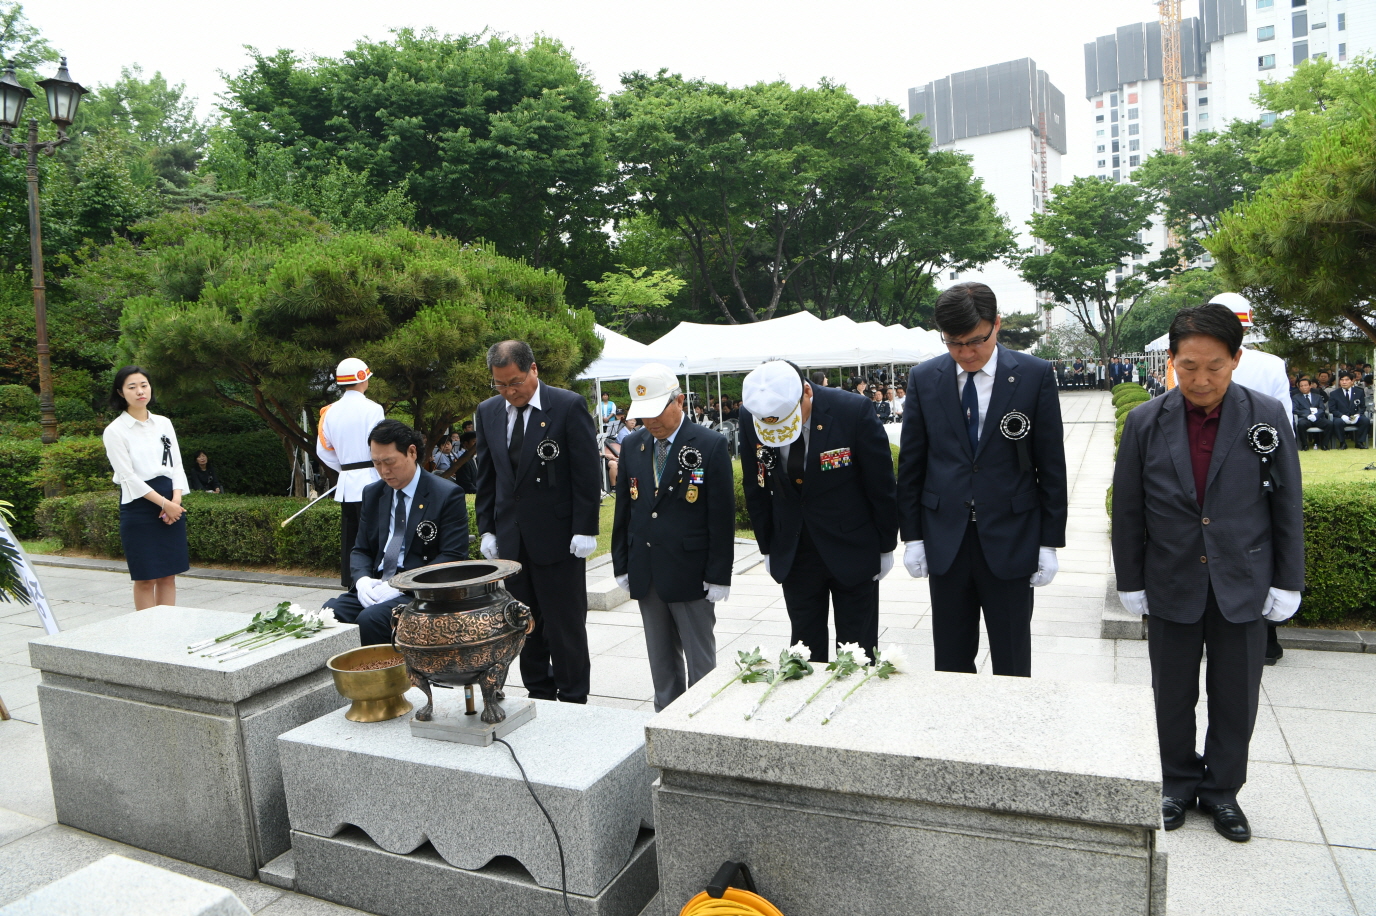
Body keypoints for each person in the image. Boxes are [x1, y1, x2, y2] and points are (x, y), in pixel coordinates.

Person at [1112, 303, 1304, 843]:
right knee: (1171, 693)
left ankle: (1222, 791)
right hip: (1171, 579)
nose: (1200, 379)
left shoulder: (1265, 415)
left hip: (1242, 580)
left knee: (1235, 696)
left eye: (1214, 366)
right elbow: (1128, 507)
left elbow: (1287, 503)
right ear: (1171, 361)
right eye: (1188, 365)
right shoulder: (1146, 422)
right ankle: (1176, 783)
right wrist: (1131, 578)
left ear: (1236, 360)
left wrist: (1288, 579)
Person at [897, 282, 1068, 677]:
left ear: (997, 325)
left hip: (1011, 535)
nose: (966, 353)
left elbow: (1051, 464)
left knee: (1011, 657)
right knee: (952, 660)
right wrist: (914, 537)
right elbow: (913, 465)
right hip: (946, 538)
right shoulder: (925, 378)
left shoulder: (1033, 375)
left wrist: (1049, 542)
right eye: (954, 343)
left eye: (976, 341)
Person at [739, 359, 898, 662]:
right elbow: (755, 485)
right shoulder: (752, 416)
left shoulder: (852, 411)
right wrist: (768, 546)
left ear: (807, 393)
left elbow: (881, 483)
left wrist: (886, 544)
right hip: (794, 549)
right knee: (803, 650)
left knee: (857, 651)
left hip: (852, 545)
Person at [475, 340, 600, 704]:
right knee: (522, 622)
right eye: (500, 385)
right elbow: (488, 477)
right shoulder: (488, 412)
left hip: (559, 536)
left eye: (515, 382)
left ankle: (574, 696)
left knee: (565, 625)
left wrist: (585, 526)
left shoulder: (566, 406)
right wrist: (487, 527)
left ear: (533, 369)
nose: (509, 391)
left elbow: (586, 473)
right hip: (512, 539)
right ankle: (538, 692)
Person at [611, 364, 735, 711]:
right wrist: (621, 561)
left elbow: (721, 517)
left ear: (679, 401)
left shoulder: (709, 445)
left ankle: (705, 722)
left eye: (656, 412)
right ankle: (666, 721)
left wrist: (719, 574)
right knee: (661, 664)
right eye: (642, 415)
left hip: (691, 571)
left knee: (701, 664)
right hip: (647, 569)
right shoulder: (634, 444)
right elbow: (625, 509)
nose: (649, 422)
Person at [324, 420, 469, 646]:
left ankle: (390, 679)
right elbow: (361, 548)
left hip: (420, 590)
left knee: (371, 620)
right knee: (330, 614)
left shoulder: (446, 495)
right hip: (377, 584)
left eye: (389, 462)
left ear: (412, 452)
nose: (383, 471)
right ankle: (349, 680)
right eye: (376, 463)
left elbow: (452, 557)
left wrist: (401, 584)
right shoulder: (374, 493)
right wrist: (362, 580)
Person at [103, 366, 190, 610]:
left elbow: (177, 465)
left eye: (144, 385)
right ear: (121, 392)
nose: (140, 391)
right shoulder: (115, 431)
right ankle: (148, 638)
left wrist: (176, 502)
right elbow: (128, 477)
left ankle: (168, 631)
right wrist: (165, 504)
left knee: (168, 575)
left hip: (171, 500)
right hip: (139, 505)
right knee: (146, 577)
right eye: (132, 387)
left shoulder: (163, 423)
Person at [316, 357, 385, 588]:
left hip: (347, 485)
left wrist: (345, 469)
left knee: (351, 537)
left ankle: (351, 582)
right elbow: (380, 446)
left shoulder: (329, 412)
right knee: (375, 535)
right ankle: (376, 580)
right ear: (362, 378)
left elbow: (323, 451)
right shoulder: (374, 409)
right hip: (372, 481)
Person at [1328, 371, 1370, 448]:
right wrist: (1342, 416)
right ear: (1339, 381)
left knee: (1365, 421)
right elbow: (1332, 409)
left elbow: (1362, 407)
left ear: (1352, 381)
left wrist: (1358, 414)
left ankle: (1359, 442)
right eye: (1342, 380)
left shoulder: (1359, 392)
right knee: (1337, 422)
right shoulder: (1334, 393)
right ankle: (1342, 443)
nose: (1344, 382)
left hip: (1354, 415)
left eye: (1347, 380)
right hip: (1341, 416)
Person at [1292, 378, 1331, 448]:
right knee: (1301, 424)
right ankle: (1304, 445)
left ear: (1310, 386)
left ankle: (1324, 444)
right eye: (1301, 386)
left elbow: (1322, 408)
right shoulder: (1296, 397)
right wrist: (1307, 415)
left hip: (1317, 418)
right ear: (1299, 388)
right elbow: (1295, 410)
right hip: (1305, 418)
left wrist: (1316, 416)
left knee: (1329, 424)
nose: (1304, 387)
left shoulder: (1317, 396)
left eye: (1305, 385)